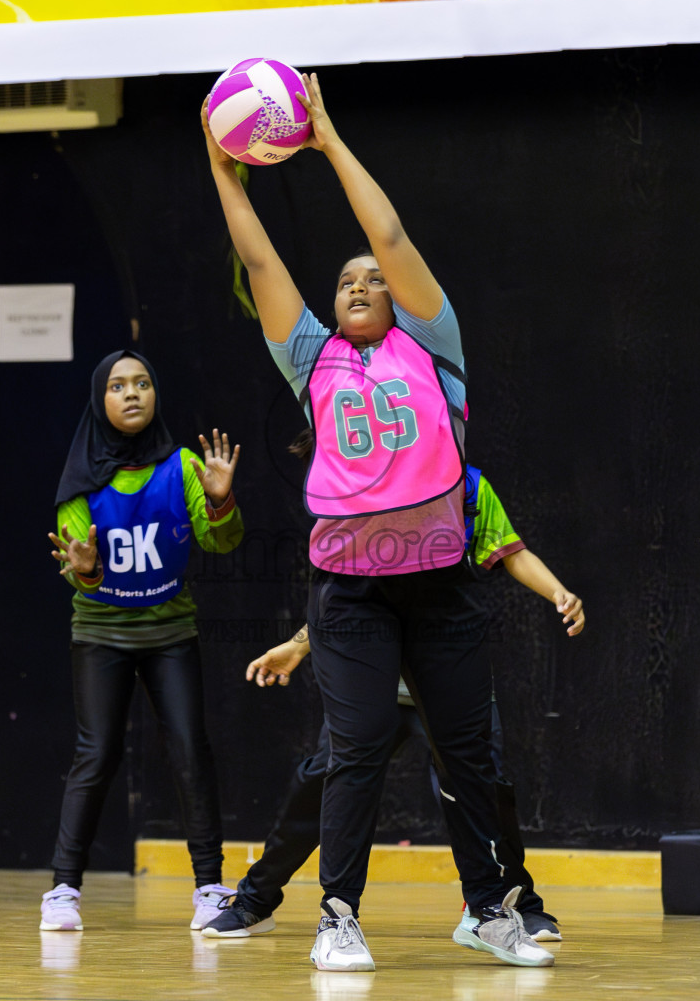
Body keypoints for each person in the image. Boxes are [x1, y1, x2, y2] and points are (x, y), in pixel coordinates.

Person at [204, 78, 548, 969]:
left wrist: (325, 139)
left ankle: (489, 908)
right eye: (345, 280)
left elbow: (389, 236)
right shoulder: (312, 358)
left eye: (372, 281)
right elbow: (263, 268)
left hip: (438, 588)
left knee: (469, 757)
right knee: (352, 750)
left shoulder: (436, 351)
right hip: (352, 595)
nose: (360, 282)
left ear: (396, 299)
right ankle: (337, 916)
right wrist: (229, 180)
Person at [200, 461, 582, 948]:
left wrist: (559, 593)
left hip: (451, 677)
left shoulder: (465, 486)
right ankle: (256, 900)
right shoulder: (364, 484)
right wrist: (299, 644)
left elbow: (511, 550)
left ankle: (511, 904)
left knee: (486, 786)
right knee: (322, 784)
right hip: (375, 683)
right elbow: (354, 589)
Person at [41, 349, 243, 933]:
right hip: (102, 632)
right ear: (100, 401)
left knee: (189, 748)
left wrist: (221, 499)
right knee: (96, 753)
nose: (132, 394)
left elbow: (222, 542)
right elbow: (82, 572)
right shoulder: (82, 478)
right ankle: (62, 891)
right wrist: (86, 571)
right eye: (118, 386)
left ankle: (209, 887)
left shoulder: (182, 466)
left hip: (170, 631)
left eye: (143, 383)